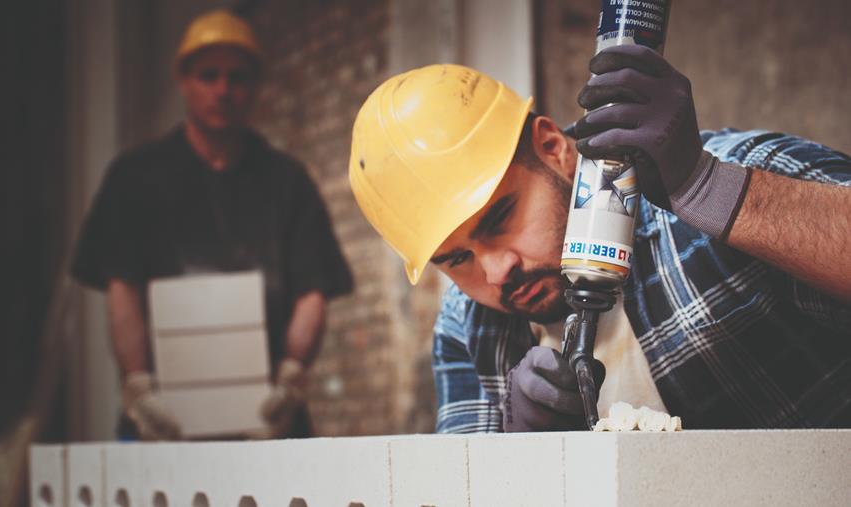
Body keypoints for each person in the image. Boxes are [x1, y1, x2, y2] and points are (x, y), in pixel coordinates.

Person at [348, 47, 850, 433]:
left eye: (500, 217)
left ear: (553, 148)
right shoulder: (468, 326)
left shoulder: (722, 176)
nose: (496, 271)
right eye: (457, 259)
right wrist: (519, 464)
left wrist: (715, 192)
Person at [72, 9, 353, 440]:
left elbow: (312, 288)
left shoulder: (287, 181)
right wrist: (139, 387)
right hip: (162, 414)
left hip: (268, 415)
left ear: (256, 87)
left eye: (238, 78)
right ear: (183, 81)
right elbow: (120, 286)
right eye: (209, 75)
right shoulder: (134, 178)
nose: (224, 90)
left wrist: (292, 378)